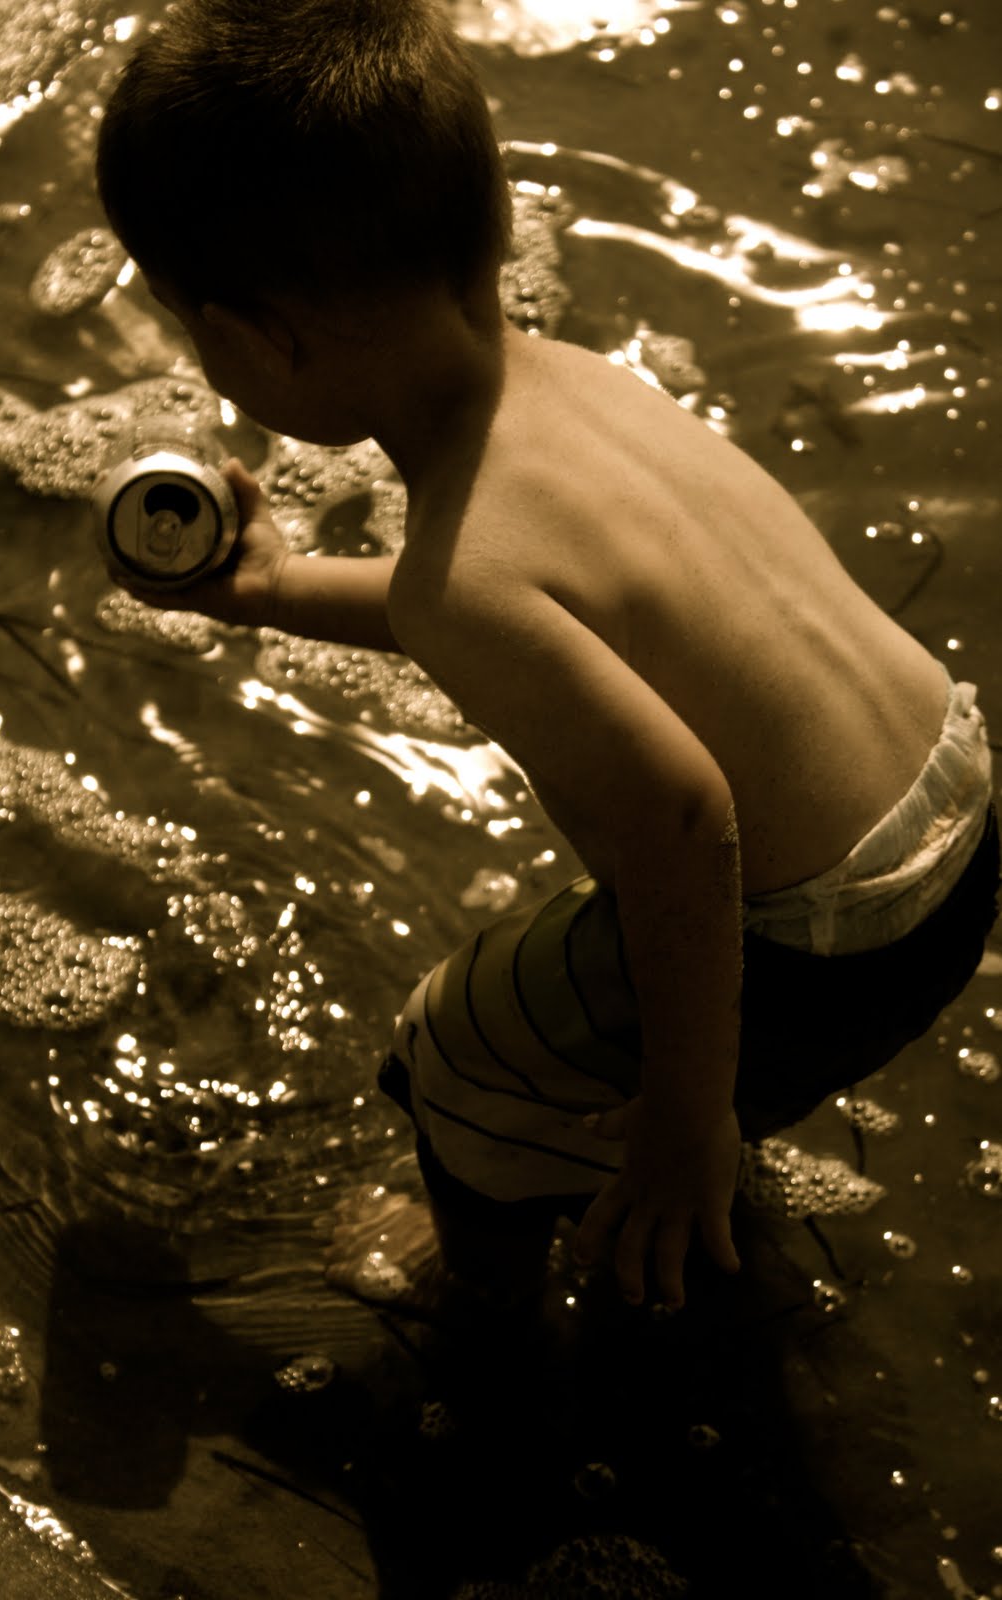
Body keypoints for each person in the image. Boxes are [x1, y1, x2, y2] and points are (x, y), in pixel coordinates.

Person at [95, 0, 999, 1319]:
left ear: (247, 341)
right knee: (645, 1003)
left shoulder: (465, 576)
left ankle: (481, 1282)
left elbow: (684, 823)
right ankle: (705, 1108)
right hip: (955, 817)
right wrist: (280, 589)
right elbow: (524, 617)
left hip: (825, 948)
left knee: (454, 1043)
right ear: (497, 214)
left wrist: (687, 1114)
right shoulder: (582, 383)